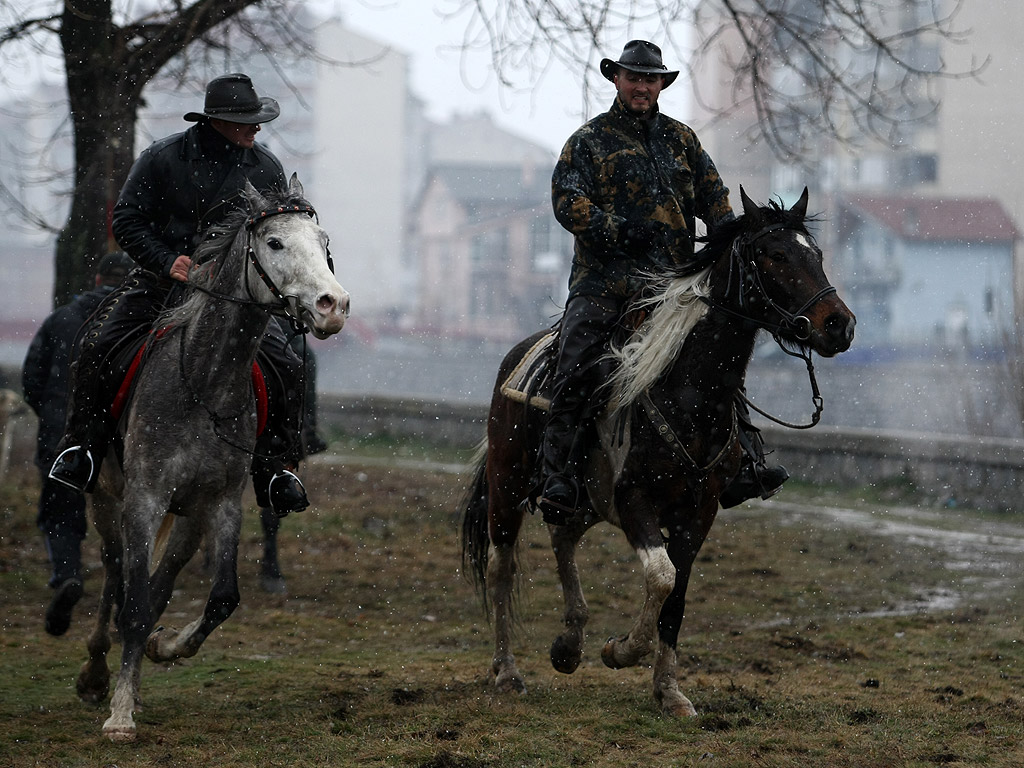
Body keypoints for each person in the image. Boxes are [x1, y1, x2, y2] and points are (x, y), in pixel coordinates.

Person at [535, 40, 789, 525]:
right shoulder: (588, 141)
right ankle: (558, 477)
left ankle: (743, 464)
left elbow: (715, 201)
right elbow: (567, 202)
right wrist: (618, 229)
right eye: (634, 77)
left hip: (671, 288)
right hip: (603, 285)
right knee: (577, 366)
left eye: (651, 79)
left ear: (660, 85)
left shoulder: (683, 141)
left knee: (716, 361)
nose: (642, 86)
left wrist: (726, 238)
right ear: (616, 79)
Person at [48, 73, 310, 517]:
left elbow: (274, 234)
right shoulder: (162, 159)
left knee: (289, 364)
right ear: (217, 121)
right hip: (161, 284)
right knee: (98, 347)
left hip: (234, 299)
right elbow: (127, 221)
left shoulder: (266, 168)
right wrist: (168, 260)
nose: (256, 128)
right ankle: (83, 450)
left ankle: (275, 468)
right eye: (247, 121)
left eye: (257, 120)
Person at [22, 251, 134, 636]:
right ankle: (123, 601)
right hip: (121, 440)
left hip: (64, 436)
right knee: (124, 522)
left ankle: (67, 575)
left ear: (97, 278)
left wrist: (56, 418)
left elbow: (31, 381)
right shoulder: (138, 321)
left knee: (60, 513)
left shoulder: (61, 320)